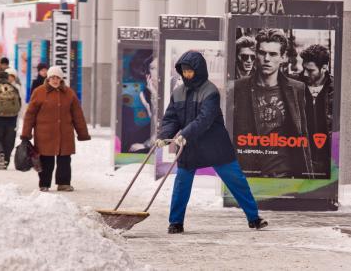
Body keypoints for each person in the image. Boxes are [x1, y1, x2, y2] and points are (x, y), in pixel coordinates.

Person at [155, 50, 267, 234]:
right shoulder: (178, 92)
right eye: (183, 71)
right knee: (181, 184)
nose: (186, 74)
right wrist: (163, 136)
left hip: (214, 146)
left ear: (198, 70)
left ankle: (254, 218)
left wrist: (186, 133)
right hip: (189, 147)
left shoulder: (211, 91)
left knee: (236, 181)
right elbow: (171, 118)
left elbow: (205, 119)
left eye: (190, 70)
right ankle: (175, 223)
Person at [233, 28, 313, 178]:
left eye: (273, 54)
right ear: (256, 54)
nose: (267, 59)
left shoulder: (297, 88)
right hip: (249, 175)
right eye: (262, 53)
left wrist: (309, 179)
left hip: (285, 176)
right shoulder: (238, 88)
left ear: (283, 58)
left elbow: (302, 134)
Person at [21, 66, 90, 192]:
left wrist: (82, 133)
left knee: (64, 160)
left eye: (57, 77)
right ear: (48, 78)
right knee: (46, 160)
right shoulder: (39, 92)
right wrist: (26, 133)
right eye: (52, 77)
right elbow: (30, 114)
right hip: (44, 134)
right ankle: (44, 184)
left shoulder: (69, 93)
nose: (55, 80)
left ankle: (64, 183)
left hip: (65, 134)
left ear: (61, 79)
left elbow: (77, 115)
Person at [299, 44, 333, 175]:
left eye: (310, 70)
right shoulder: (295, 86)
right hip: (302, 159)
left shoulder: (336, 90)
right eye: (304, 68)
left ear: (324, 68)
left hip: (327, 161)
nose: (305, 73)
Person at [128, 55, 158, 153]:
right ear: (148, 74)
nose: (157, 72)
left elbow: (166, 125)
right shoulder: (145, 94)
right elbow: (156, 124)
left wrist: (145, 145)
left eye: (160, 67)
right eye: (153, 68)